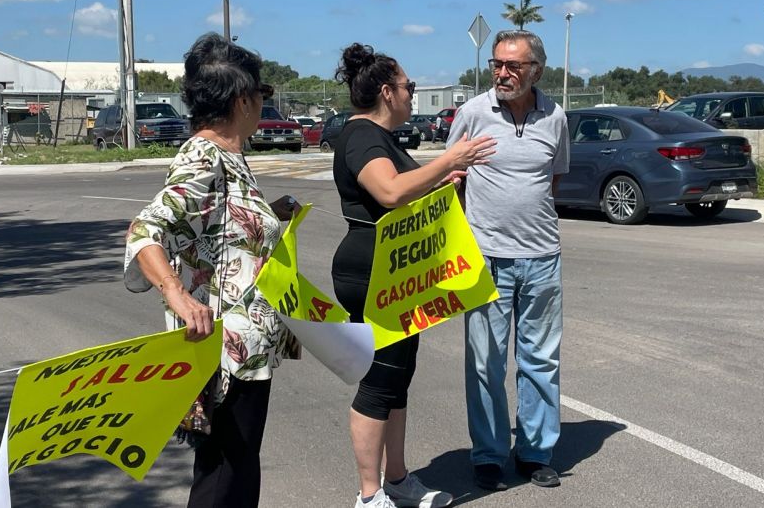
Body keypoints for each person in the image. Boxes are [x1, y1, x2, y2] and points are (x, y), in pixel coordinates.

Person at [123, 32, 302, 508]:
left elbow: (217, 230)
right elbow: (146, 230)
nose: (264, 103)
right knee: (224, 477)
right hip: (223, 351)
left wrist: (271, 212)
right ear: (242, 98)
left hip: (244, 349)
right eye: (262, 93)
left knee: (235, 472)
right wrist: (177, 296)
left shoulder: (230, 155)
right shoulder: (205, 156)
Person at [332, 43, 497, 508]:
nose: (412, 94)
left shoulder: (378, 137)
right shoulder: (363, 136)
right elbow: (387, 192)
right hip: (372, 273)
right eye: (409, 87)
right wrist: (449, 159)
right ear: (387, 92)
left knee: (398, 378)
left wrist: (440, 183)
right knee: (379, 382)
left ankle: (399, 479)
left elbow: (404, 193)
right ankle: (370, 494)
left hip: (399, 272)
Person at [446, 29, 570, 490]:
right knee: (484, 363)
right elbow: (451, 179)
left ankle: (536, 452)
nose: (502, 72)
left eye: (512, 66)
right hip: (485, 259)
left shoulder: (555, 117)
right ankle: (489, 456)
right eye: (497, 63)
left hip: (542, 259)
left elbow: (551, 181)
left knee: (540, 359)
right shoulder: (472, 113)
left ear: (535, 70)